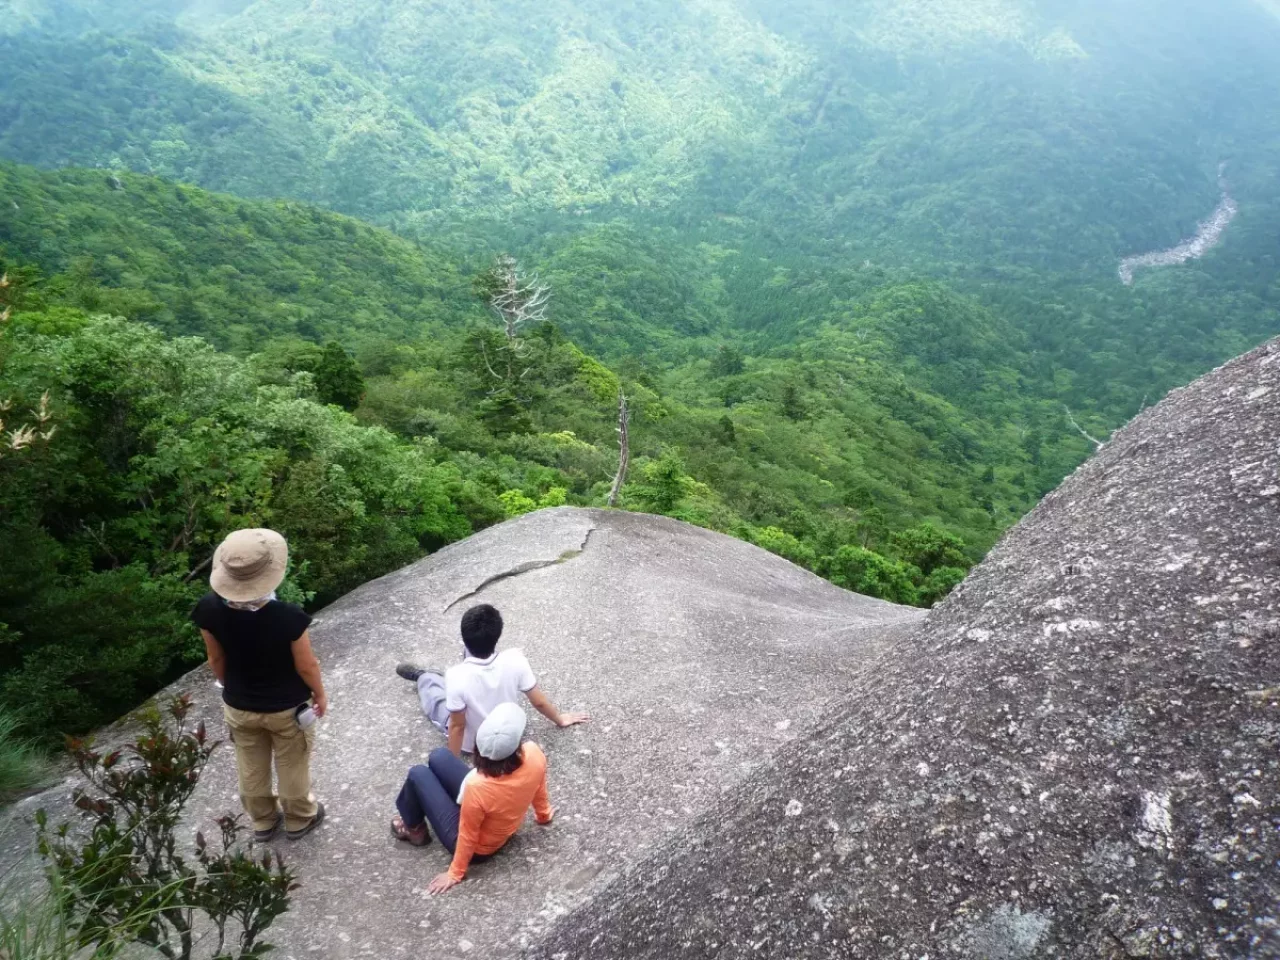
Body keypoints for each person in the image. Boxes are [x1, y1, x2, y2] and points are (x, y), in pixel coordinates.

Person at [192, 528, 327, 842]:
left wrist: (235, 688)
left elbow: (215, 658)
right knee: (293, 762)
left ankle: (263, 821)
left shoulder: (208, 609)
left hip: (239, 704)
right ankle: (299, 819)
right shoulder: (288, 617)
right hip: (286, 707)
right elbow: (306, 665)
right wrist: (319, 694)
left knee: (250, 763)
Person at [390, 702, 553, 893]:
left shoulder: (477, 785)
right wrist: (544, 814)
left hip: (480, 848)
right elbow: (539, 786)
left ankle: (414, 829)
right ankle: (423, 814)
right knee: (439, 755)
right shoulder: (533, 752)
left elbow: (468, 833)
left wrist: (454, 873)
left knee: (418, 773)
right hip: (500, 819)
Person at [396, 603, 588, 756]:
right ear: (498, 634)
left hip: (474, 745)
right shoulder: (515, 659)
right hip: (508, 734)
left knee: (437, 700)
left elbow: (457, 725)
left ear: (464, 637)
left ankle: (424, 676)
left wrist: (451, 765)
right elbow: (538, 701)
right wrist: (560, 719)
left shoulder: (455, 675)